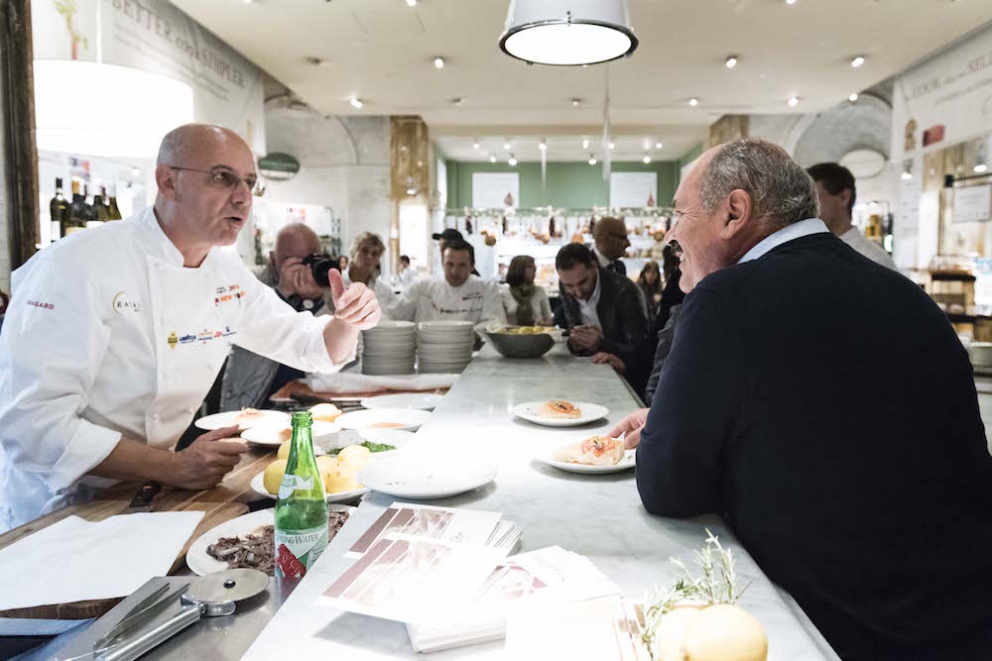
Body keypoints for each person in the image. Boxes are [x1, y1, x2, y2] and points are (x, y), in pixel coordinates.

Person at [611, 138, 992, 661]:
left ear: (734, 212)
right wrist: (681, 414)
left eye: (678, 214)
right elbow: (826, 423)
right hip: (964, 616)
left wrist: (672, 430)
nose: (671, 233)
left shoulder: (724, 300)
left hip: (839, 630)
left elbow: (667, 485)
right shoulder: (901, 292)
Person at [0, 123, 381, 531]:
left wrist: (347, 318)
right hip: (58, 507)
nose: (243, 196)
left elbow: (313, 347)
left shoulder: (225, 274)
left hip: (147, 494)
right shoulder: (75, 265)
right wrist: (173, 466)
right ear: (168, 181)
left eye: (250, 183)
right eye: (223, 177)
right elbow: (33, 425)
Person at [220, 222, 335, 411]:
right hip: (254, 405)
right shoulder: (251, 285)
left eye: (308, 259)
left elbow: (343, 352)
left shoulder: (326, 286)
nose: (301, 268)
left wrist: (316, 301)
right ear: (273, 259)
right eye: (291, 260)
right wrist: (282, 294)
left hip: (312, 404)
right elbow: (244, 358)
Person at [556, 243, 648, 392]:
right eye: (569, 286)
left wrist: (601, 343)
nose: (577, 292)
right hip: (591, 374)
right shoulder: (564, 285)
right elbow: (573, 327)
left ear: (594, 266)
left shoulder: (624, 291)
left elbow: (641, 350)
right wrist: (575, 342)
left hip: (627, 380)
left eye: (583, 282)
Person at [387, 238, 505, 335]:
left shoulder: (486, 288)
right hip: (428, 354)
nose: (454, 271)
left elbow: (496, 323)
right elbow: (392, 314)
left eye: (462, 265)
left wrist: (471, 335)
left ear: (472, 266)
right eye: (450, 264)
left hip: (473, 354)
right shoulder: (422, 287)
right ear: (443, 264)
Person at [807, 162, 897, 269]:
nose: (807, 209)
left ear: (844, 198)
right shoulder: (811, 252)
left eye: (813, 200)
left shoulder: (874, 260)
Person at [341, 232, 395, 310]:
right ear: (353, 252)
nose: (369, 257)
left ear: (378, 260)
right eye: (365, 251)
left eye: (374, 254)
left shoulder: (384, 292)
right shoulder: (336, 283)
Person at [501, 255, 553, 326]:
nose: (534, 269)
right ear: (518, 269)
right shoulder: (504, 294)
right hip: (512, 335)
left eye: (534, 267)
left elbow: (548, 319)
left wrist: (543, 324)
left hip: (536, 335)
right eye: (529, 267)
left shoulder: (539, 291)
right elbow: (498, 322)